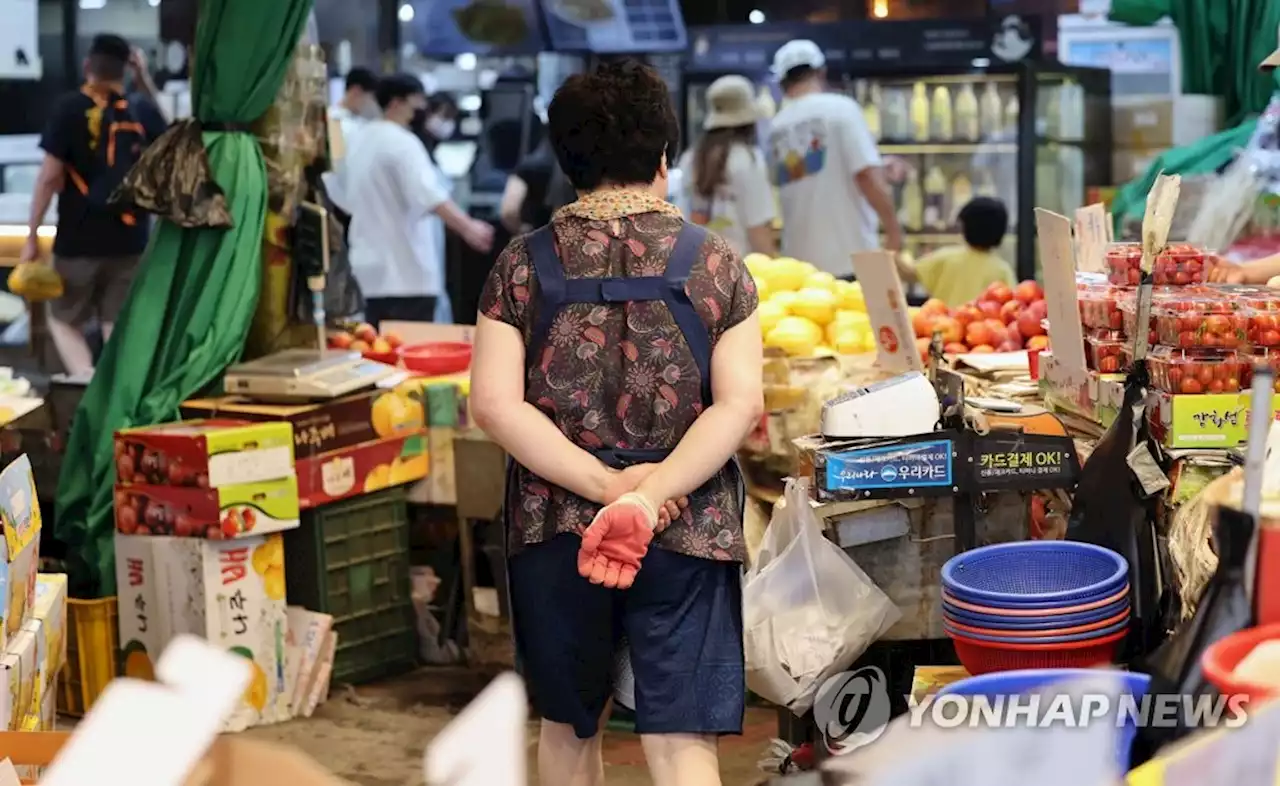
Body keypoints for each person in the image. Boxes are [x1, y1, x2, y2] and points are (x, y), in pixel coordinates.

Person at [470, 60, 763, 786]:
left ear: (566, 158)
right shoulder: (716, 264)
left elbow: (494, 405)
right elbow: (739, 404)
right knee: (680, 735)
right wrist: (647, 493)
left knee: (569, 727)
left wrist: (605, 486)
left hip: (555, 525)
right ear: (664, 155)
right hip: (685, 520)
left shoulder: (520, 266)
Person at [22, 33, 168, 377]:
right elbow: (167, 135)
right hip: (131, 239)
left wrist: (32, 235)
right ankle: (115, 397)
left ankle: (85, 385)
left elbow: (48, 178)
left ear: (88, 66)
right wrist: (144, 80)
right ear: (127, 68)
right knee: (115, 325)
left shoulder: (69, 108)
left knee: (63, 319)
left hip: (78, 240)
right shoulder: (140, 108)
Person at [330, 73, 493, 328]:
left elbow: (341, 195)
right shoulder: (402, 142)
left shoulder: (359, 139)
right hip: (406, 275)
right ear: (396, 103)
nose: (421, 110)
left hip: (366, 272)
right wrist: (468, 227)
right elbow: (429, 195)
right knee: (410, 355)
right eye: (416, 103)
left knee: (377, 355)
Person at [767, 39, 903, 277]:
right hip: (851, 261)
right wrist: (894, 231)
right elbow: (865, 176)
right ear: (821, 72)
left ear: (782, 82)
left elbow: (802, 174)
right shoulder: (842, 109)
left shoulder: (776, 127)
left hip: (798, 268)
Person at [677, 75, 776, 257]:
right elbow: (758, 230)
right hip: (740, 271)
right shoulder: (749, 159)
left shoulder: (690, 158)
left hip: (696, 268)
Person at [895, 196, 1015, 307]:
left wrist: (892, 251)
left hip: (939, 324)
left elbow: (907, 272)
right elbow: (1013, 303)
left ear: (965, 227)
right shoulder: (1002, 270)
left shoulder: (946, 257)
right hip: (981, 328)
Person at [329, 67, 379, 148]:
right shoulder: (337, 124)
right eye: (369, 98)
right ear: (356, 92)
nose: (370, 104)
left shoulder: (361, 124)